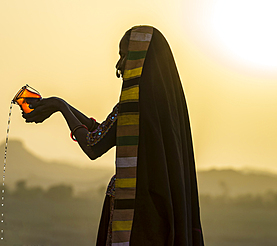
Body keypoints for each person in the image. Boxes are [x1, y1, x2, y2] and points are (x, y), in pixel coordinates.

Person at [23, 25, 204, 246]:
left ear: (140, 58)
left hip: (134, 222)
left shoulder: (134, 108)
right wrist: (62, 106)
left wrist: (60, 106)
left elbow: (93, 145)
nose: (119, 64)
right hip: (154, 220)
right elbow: (102, 130)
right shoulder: (162, 112)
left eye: (124, 55)